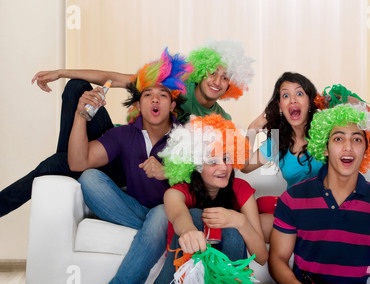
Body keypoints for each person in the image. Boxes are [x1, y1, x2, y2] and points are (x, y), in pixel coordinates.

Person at [0, 40, 254, 218]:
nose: (217, 82)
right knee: (77, 86)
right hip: (121, 143)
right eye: (213, 73)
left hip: (137, 167)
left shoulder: (220, 118)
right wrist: (61, 72)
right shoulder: (173, 83)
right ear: (201, 70)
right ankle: (69, 165)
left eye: (225, 78)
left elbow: (215, 163)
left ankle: (67, 166)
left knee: (58, 164)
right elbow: (115, 78)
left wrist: (263, 135)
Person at [249, 104, 370, 284]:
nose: (348, 147)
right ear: (325, 148)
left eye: (356, 139)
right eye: (338, 139)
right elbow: (277, 260)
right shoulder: (293, 198)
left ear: (365, 150)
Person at [68, 48, 193, 284]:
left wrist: (167, 172)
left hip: (172, 213)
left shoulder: (187, 135)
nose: (155, 100)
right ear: (138, 104)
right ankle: (154, 233)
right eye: (148, 95)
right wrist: (81, 116)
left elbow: (203, 184)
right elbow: (78, 163)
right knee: (90, 179)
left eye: (162, 95)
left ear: (172, 104)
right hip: (134, 209)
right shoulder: (123, 134)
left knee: (160, 214)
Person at [242, 73, 370, 241]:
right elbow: (245, 167)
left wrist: (354, 103)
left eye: (299, 93)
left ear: (311, 102)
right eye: (285, 95)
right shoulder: (277, 140)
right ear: (280, 106)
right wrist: (253, 127)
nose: (293, 100)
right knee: (251, 224)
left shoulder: (329, 129)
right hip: (297, 213)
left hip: (334, 209)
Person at [151, 114, 268, 284]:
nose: (223, 168)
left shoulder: (242, 190)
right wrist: (188, 230)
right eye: (212, 161)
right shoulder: (178, 192)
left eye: (226, 158)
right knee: (195, 215)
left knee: (234, 227)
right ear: (196, 165)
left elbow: (261, 257)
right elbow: (178, 214)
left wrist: (240, 221)